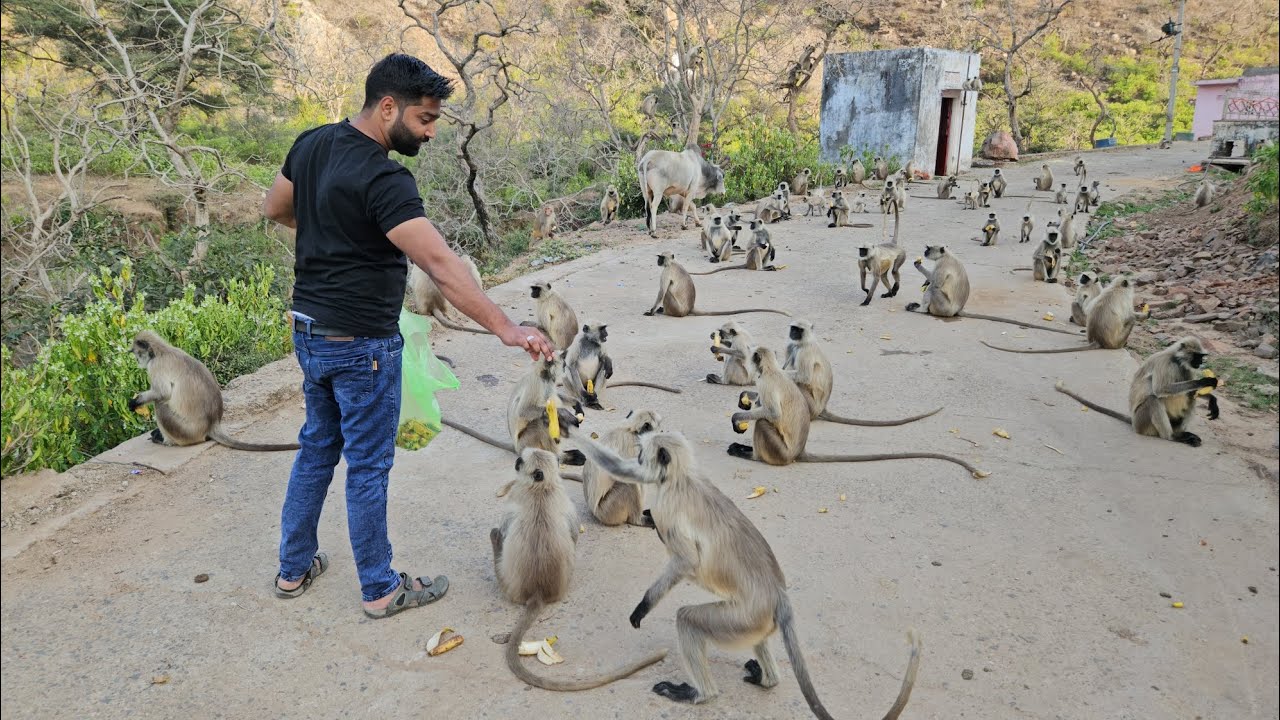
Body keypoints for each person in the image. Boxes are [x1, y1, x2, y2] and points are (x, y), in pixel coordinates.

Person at [262, 53, 554, 619]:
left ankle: (293, 568)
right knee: (368, 466)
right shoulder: (384, 177)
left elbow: (275, 208)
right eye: (424, 119)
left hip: (309, 331)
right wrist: (506, 328)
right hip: (361, 345)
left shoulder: (311, 143)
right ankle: (380, 588)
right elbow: (444, 267)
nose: (431, 131)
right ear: (388, 106)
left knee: (317, 448)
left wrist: (332, 231)